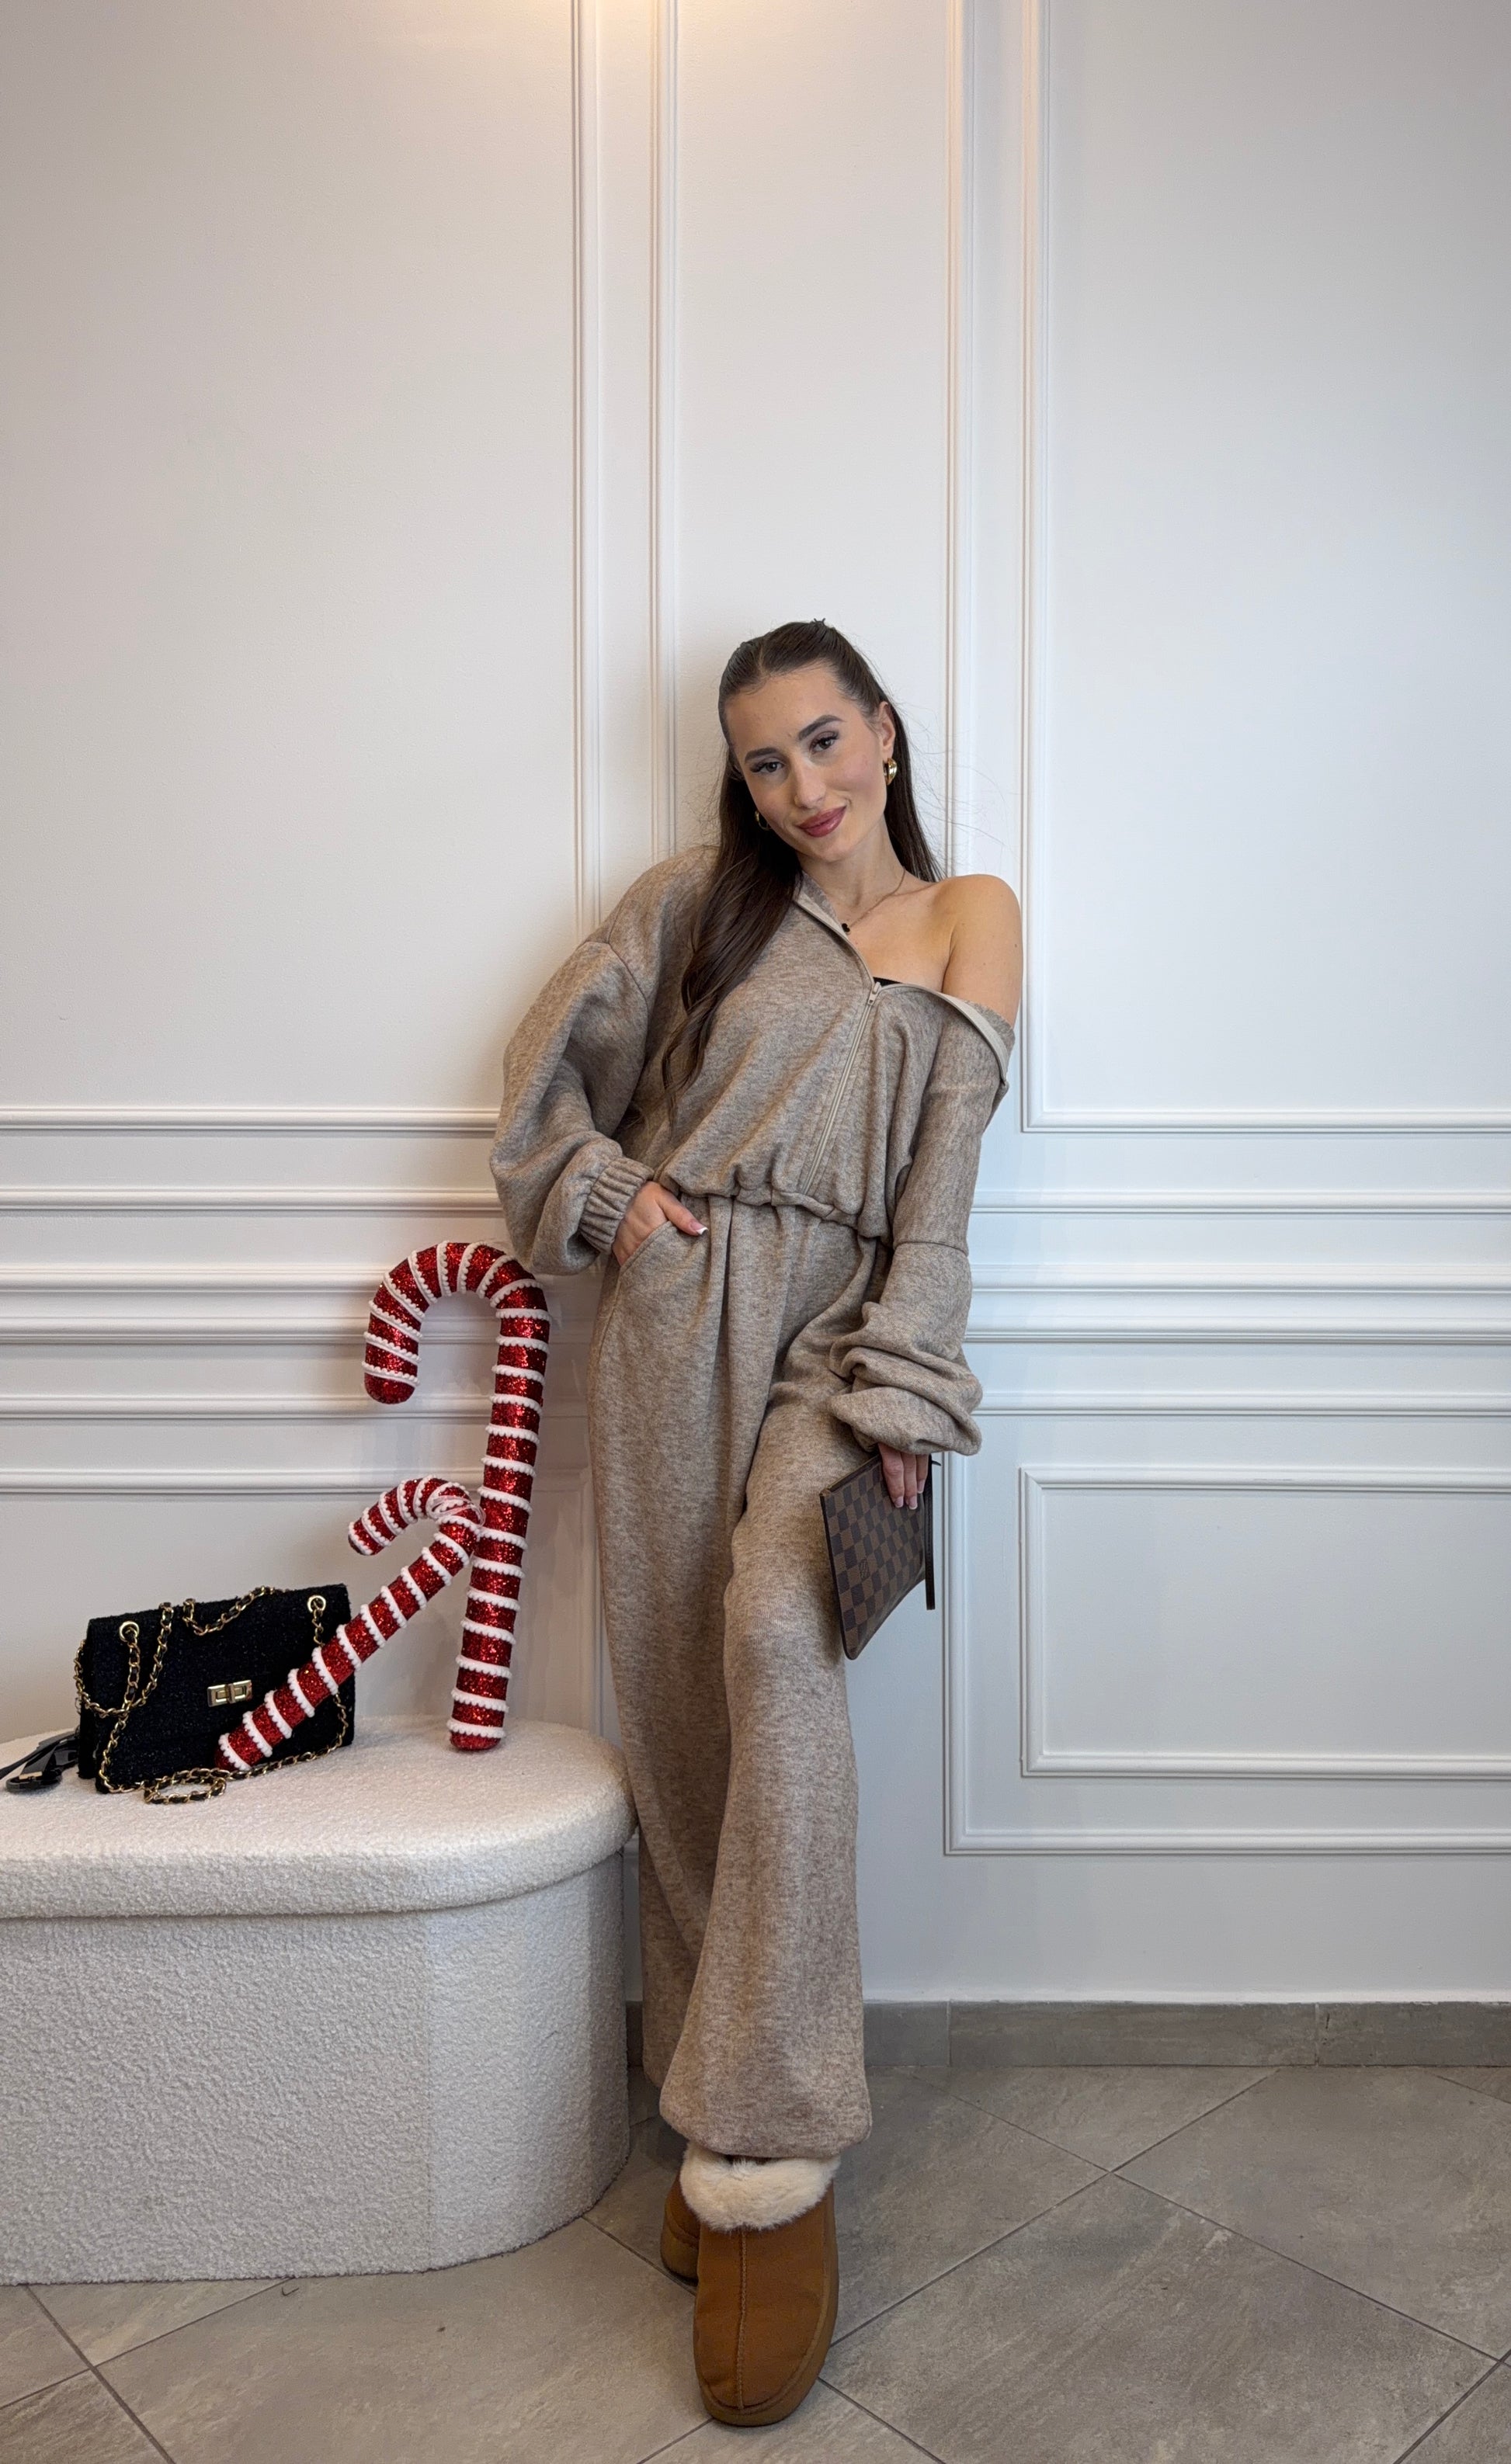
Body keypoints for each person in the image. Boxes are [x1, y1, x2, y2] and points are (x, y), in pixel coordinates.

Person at [490, 619, 1022, 2427]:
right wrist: (610, 1199)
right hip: (672, 1309)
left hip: (841, 1334)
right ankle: (708, 2123)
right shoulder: (689, 907)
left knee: (777, 1641)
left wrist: (903, 1387)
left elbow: (940, 1190)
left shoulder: (970, 917)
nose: (803, 785)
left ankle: (771, 2164)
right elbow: (539, 1078)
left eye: (825, 740)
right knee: (683, 1715)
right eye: (764, 760)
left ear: (883, 731)